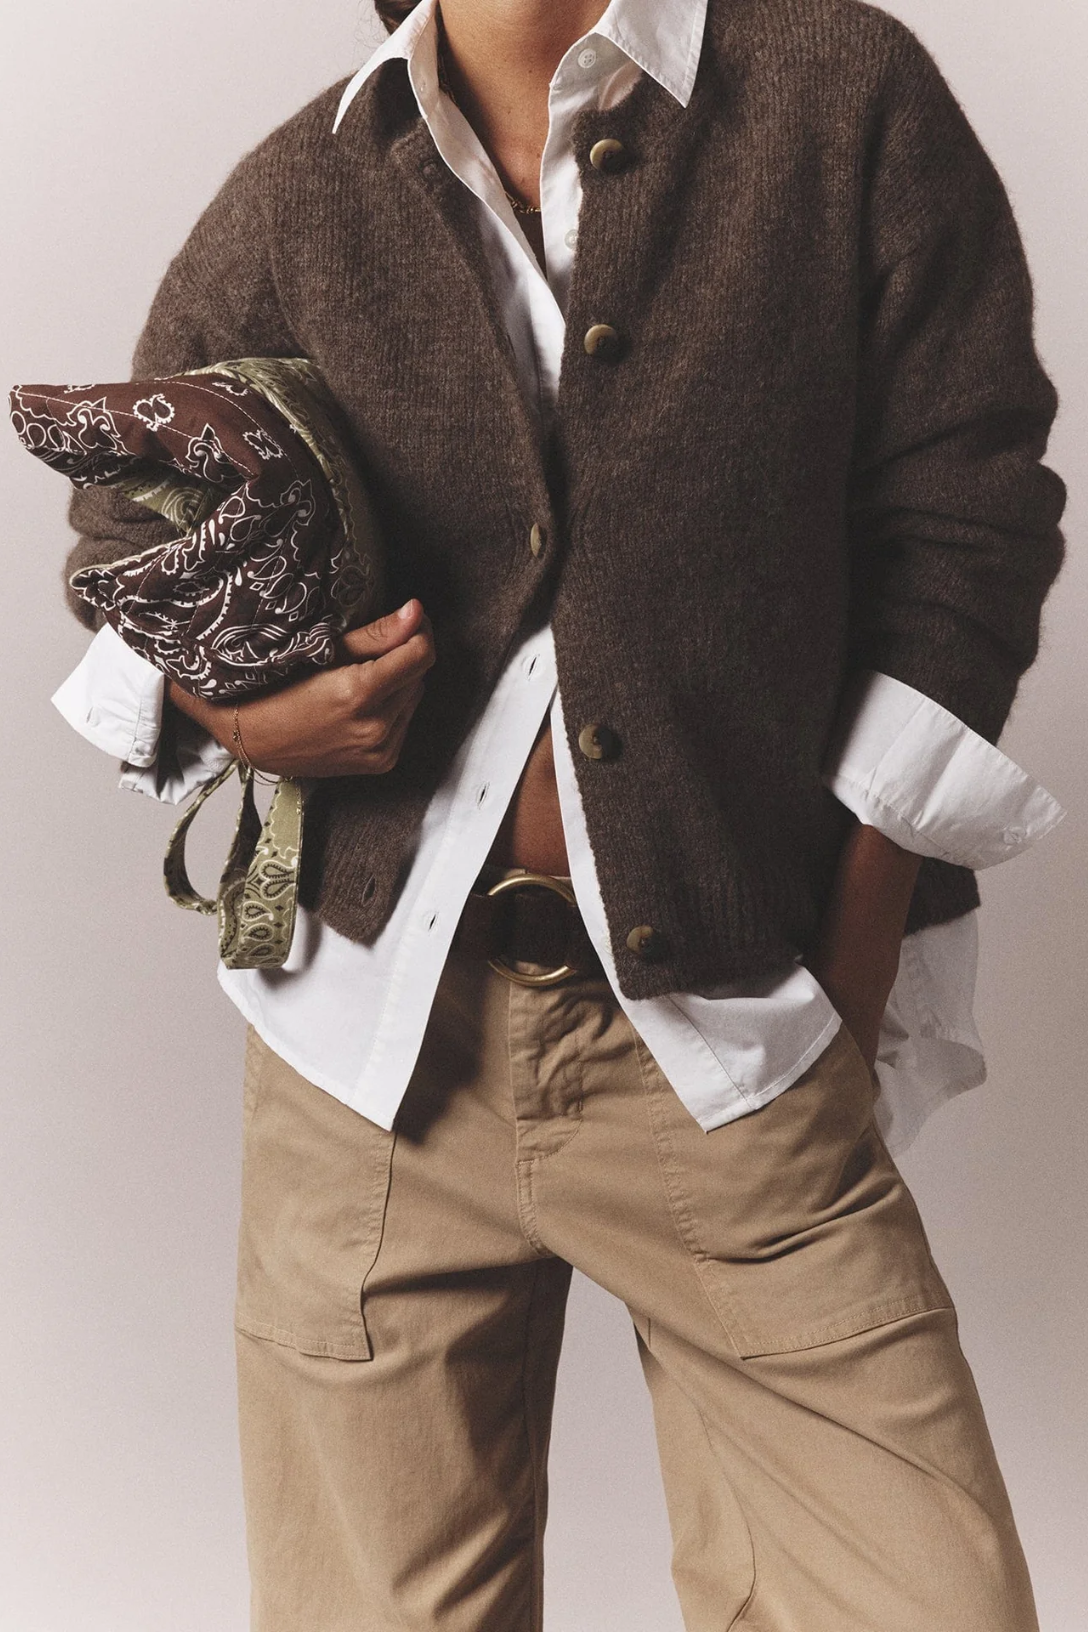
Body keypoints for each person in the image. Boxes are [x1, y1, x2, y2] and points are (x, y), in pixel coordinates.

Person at [52, 0, 1068, 1626]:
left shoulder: (838, 99)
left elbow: (969, 511)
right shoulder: (307, 188)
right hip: (371, 1075)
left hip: (728, 1040)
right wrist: (247, 715)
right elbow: (128, 540)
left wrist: (855, 947)